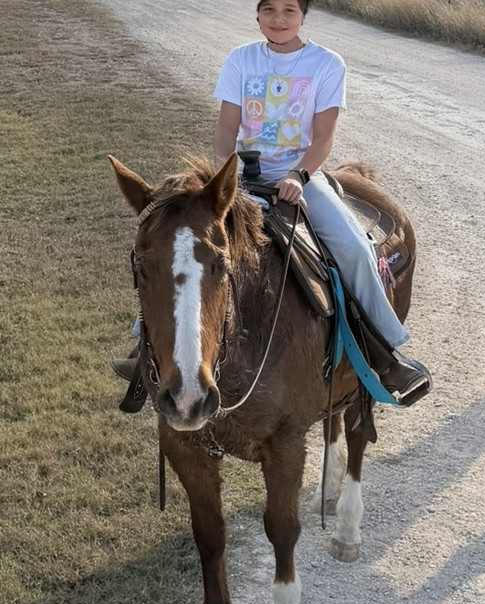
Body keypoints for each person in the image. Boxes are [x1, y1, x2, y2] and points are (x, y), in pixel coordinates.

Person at [112, 0, 431, 406]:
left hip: (301, 179)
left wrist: (298, 176)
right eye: (268, 10)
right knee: (180, 246)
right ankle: (144, 348)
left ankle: (384, 351)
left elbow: (323, 137)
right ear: (257, 15)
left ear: (303, 15)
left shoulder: (326, 64)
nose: (278, 19)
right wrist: (223, 179)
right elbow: (227, 128)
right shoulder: (241, 60)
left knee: (353, 248)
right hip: (241, 179)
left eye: (289, 10)